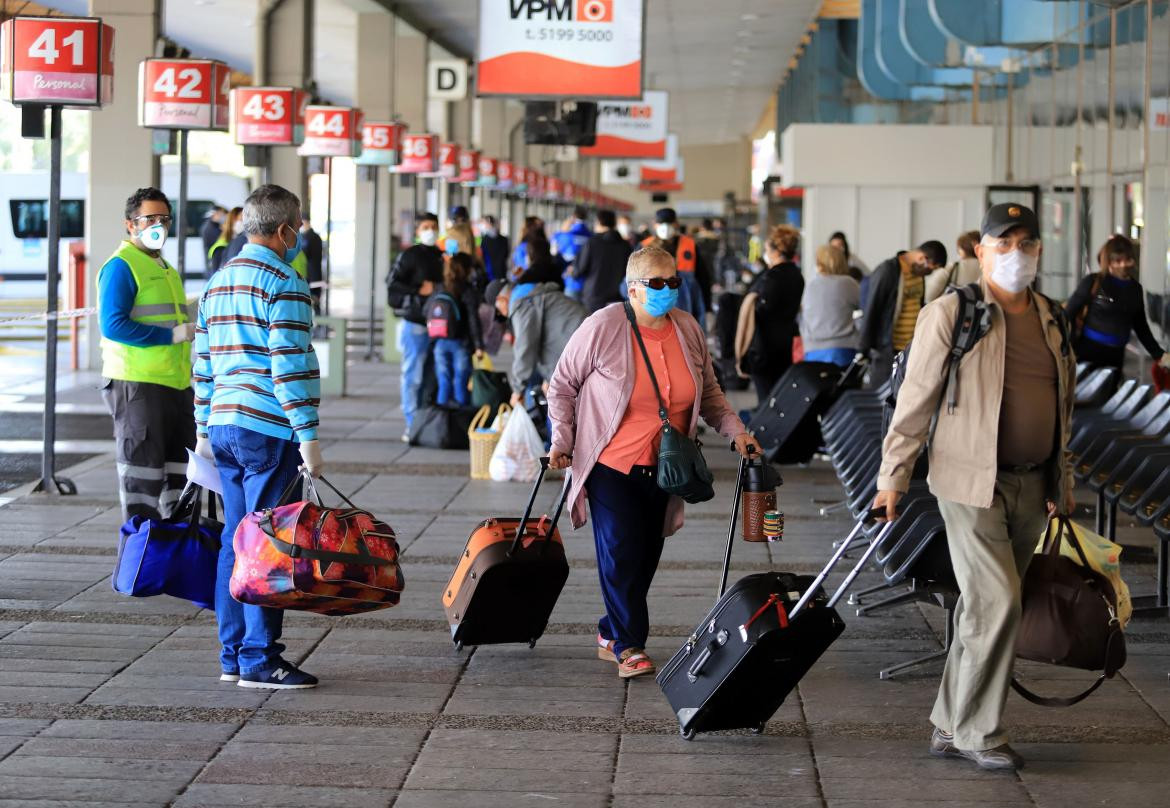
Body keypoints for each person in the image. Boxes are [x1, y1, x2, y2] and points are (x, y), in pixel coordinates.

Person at [874, 202, 1076, 771]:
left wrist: (1064, 479)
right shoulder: (951, 314)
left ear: (1039, 251)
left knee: (981, 611)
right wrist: (893, 477)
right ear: (981, 251)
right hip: (968, 482)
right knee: (998, 601)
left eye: (1027, 243)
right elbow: (914, 401)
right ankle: (979, 732)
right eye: (1003, 243)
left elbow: (1065, 409)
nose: (1016, 254)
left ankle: (947, 721)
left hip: (1033, 485)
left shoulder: (1054, 319)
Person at [547, 246, 761, 679]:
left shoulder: (687, 329)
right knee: (622, 553)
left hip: (666, 468)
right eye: (657, 284)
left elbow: (711, 394)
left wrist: (736, 431)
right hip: (612, 465)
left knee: (643, 558)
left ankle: (611, 630)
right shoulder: (603, 326)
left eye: (674, 282)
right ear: (633, 289)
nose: (668, 291)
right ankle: (629, 646)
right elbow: (562, 386)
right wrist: (561, 441)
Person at [192, 183, 322, 690]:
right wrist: (308, 436)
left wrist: (203, 426)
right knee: (267, 542)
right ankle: (260, 658)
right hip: (267, 428)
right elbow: (288, 366)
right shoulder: (284, 282)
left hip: (224, 425)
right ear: (286, 229)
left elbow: (202, 364)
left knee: (234, 538)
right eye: (298, 229)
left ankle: (232, 654)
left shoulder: (218, 281)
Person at [97, 187, 196, 522]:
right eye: (149, 218)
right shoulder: (122, 266)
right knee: (143, 485)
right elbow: (113, 326)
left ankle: (173, 563)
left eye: (164, 219)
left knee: (181, 481)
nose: (158, 225)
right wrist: (171, 335)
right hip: (137, 385)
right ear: (130, 225)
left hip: (175, 384)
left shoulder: (164, 267)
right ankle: (138, 567)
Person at [1065, 234, 1168, 370]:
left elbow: (1141, 326)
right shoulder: (1094, 282)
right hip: (1088, 353)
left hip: (1116, 355)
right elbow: (1067, 314)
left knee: (1111, 389)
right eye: (1117, 260)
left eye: (1128, 260)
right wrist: (1066, 347)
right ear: (1109, 262)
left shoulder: (1135, 289)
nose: (1123, 265)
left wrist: (1159, 355)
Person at [859, 240, 948, 387]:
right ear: (922, 258)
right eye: (931, 269)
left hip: (910, 351)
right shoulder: (888, 271)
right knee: (881, 398)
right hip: (886, 351)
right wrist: (863, 348)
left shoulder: (918, 273)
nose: (929, 273)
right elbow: (872, 308)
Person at [387, 213, 444, 438]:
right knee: (413, 375)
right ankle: (411, 423)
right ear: (418, 231)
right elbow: (393, 284)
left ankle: (424, 420)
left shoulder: (442, 256)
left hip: (439, 324)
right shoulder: (409, 255)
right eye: (426, 227)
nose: (430, 231)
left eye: (433, 227)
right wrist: (418, 290)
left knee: (432, 376)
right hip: (416, 322)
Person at [488, 277, 586, 405]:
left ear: (501, 300)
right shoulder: (535, 293)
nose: (502, 315)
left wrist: (517, 391)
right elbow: (550, 338)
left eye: (499, 312)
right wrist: (550, 377)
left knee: (560, 414)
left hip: (582, 354)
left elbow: (525, 348)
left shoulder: (522, 305)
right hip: (584, 345)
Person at [734, 224, 805, 401]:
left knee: (766, 399)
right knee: (779, 397)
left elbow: (763, 309)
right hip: (785, 343)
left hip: (765, 348)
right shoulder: (796, 274)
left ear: (776, 251)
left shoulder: (773, 277)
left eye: (766, 249)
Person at [428, 252, 484, 408]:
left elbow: (428, 312)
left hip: (440, 341)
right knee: (460, 381)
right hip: (460, 342)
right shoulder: (467, 290)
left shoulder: (440, 288)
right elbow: (473, 320)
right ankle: (461, 421)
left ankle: (441, 422)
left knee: (443, 381)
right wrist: (478, 345)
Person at [644, 207, 713, 316]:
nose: (665, 227)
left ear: (676, 224)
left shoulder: (690, 245)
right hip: (653, 305)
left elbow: (703, 277)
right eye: (661, 223)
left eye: (669, 223)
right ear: (655, 224)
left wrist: (707, 306)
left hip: (685, 305)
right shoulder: (644, 246)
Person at [801, 243, 860, 367]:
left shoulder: (811, 285)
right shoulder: (849, 284)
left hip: (812, 350)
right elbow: (867, 308)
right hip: (843, 348)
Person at [575, 209, 633, 314]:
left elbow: (581, 268)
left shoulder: (592, 243)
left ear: (599, 222)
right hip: (618, 296)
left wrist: (573, 272)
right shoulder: (625, 245)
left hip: (594, 296)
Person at [926, 230, 982, 303]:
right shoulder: (992, 268)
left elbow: (929, 296)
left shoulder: (951, 267)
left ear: (962, 250)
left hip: (954, 311)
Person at [554, 206, 593, 300]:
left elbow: (554, 247)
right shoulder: (592, 236)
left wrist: (562, 229)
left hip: (571, 281)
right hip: (589, 282)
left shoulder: (565, 235)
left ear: (573, 217)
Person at [206, 206, 242, 277]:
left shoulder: (237, 242)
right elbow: (216, 276)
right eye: (240, 219)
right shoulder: (221, 247)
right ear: (232, 222)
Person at [299, 213, 324, 313]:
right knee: (314, 301)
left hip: (311, 274)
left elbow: (307, 255)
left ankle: (318, 324)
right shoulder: (312, 237)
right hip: (313, 273)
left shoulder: (309, 237)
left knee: (313, 300)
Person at [479, 214, 510, 283]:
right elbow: (506, 254)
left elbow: (482, 256)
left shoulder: (484, 240)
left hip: (489, 273)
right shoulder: (504, 239)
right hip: (501, 272)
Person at [200, 205, 226, 269]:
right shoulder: (210, 228)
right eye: (220, 214)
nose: (222, 216)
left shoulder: (215, 226)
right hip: (213, 261)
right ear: (214, 214)